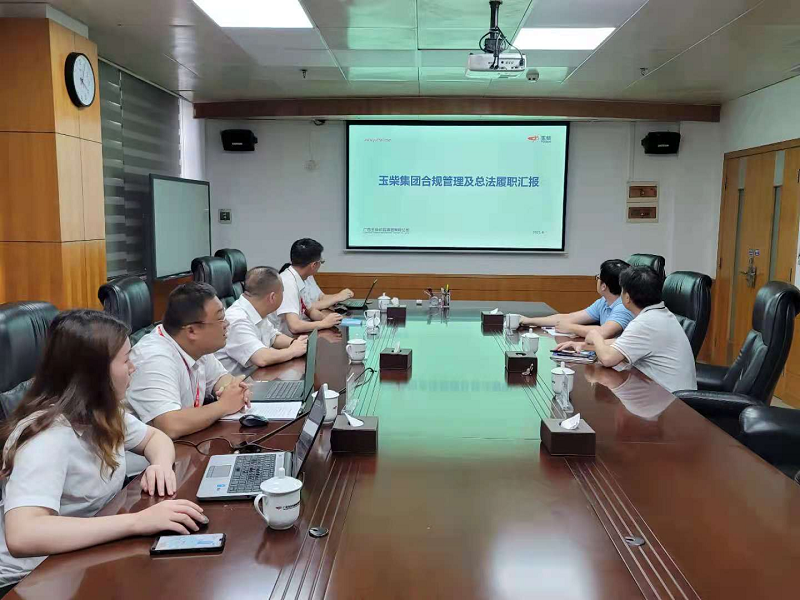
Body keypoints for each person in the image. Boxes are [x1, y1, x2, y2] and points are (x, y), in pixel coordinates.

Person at [0, 310, 207, 590]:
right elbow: (24, 535)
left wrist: (159, 464)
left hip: (80, 555)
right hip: (30, 578)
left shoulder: (100, 412)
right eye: (126, 359)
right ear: (95, 372)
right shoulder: (46, 436)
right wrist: (137, 522)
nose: (133, 367)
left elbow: (155, 438)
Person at [126, 282, 251, 440]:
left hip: (186, 444)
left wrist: (235, 391)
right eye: (220, 319)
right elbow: (170, 425)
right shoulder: (154, 358)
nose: (226, 324)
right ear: (192, 331)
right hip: (147, 453)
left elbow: (221, 378)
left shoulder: (195, 346)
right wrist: (224, 405)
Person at [557, 266, 697, 393]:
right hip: (659, 393)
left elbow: (607, 359)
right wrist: (584, 346)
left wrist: (595, 336)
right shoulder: (660, 314)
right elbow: (622, 343)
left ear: (627, 297)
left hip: (671, 401)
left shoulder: (646, 322)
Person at [216, 266, 308, 371]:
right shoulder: (237, 319)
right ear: (272, 297)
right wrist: (292, 351)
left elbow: (273, 337)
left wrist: (295, 343)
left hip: (255, 375)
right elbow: (262, 358)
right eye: (282, 292)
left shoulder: (257, 309)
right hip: (240, 379)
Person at [520, 259, 633, 339]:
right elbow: (569, 317)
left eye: (598, 277)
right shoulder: (603, 302)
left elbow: (604, 332)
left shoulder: (624, 307)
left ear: (603, 286)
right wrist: (528, 321)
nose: (597, 280)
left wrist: (571, 328)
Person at [273, 238, 343, 335]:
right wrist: (324, 323)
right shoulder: (288, 283)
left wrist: (330, 319)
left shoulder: (298, 279)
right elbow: (294, 326)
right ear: (314, 265)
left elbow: (310, 311)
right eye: (321, 262)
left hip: (294, 336)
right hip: (281, 339)